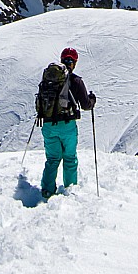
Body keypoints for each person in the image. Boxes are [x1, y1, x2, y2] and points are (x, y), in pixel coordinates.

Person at [38, 47, 95, 199]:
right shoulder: (76, 81)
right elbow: (85, 105)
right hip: (67, 125)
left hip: (48, 125)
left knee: (52, 159)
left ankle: (47, 190)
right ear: (74, 62)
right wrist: (92, 100)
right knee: (69, 158)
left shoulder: (48, 79)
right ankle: (70, 189)